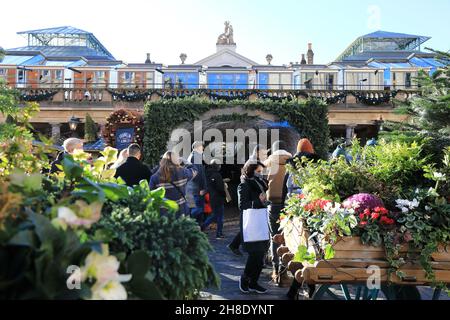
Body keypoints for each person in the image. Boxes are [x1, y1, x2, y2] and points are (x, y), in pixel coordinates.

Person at [282, 138, 320, 300]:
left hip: (292, 213)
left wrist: (284, 213)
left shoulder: (290, 169)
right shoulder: (314, 168)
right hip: (309, 212)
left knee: (298, 250)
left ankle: (296, 290)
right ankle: (306, 288)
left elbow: (284, 192)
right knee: (308, 250)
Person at [228, 144, 269, 256]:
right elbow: (245, 180)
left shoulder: (260, 165)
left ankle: (234, 245)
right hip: (252, 205)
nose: (265, 155)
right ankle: (235, 246)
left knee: (246, 229)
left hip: (256, 206)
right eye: (263, 153)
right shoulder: (251, 164)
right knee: (247, 229)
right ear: (257, 153)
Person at [238, 161, 270, 294]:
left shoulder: (262, 183)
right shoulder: (243, 185)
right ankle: (244, 280)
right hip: (251, 223)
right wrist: (259, 201)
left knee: (261, 253)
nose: (260, 173)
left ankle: (254, 282)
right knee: (254, 255)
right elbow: (242, 205)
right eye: (258, 171)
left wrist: (265, 200)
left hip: (261, 221)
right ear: (250, 171)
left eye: (261, 171)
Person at [264, 140, 292, 287]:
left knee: (274, 237)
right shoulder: (292, 161)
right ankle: (285, 270)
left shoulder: (268, 162)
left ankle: (276, 272)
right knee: (288, 238)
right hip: (288, 205)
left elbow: (263, 182)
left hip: (273, 205)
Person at [150, 151, 197, 217]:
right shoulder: (183, 172)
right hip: (181, 210)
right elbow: (194, 170)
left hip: (164, 212)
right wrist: (186, 162)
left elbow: (151, 195)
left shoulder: (155, 177)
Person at [201, 159, 226, 239]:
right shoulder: (217, 175)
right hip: (218, 198)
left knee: (215, 215)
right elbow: (220, 188)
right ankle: (219, 233)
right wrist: (224, 195)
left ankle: (202, 227)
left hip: (212, 197)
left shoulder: (207, 174)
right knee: (219, 216)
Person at [186, 141, 208, 225]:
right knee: (197, 211)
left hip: (192, 188)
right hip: (197, 189)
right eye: (202, 147)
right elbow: (199, 173)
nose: (203, 149)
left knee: (195, 210)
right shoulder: (196, 157)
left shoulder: (191, 156)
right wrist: (203, 188)